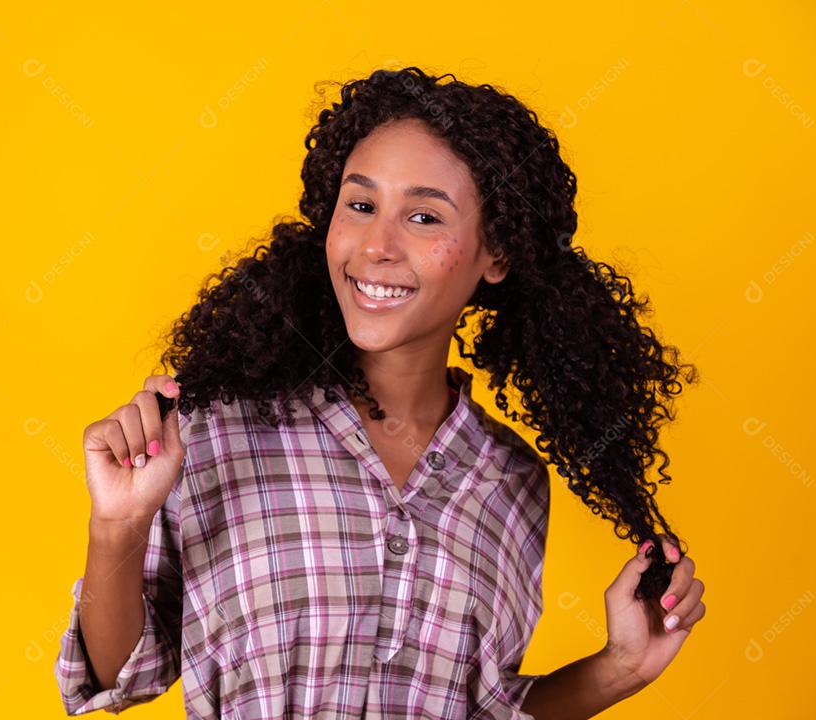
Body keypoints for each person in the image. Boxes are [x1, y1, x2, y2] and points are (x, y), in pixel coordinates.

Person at [54, 66, 706, 719]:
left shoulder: (514, 483)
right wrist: (118, 525)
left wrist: (617, 669)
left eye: (423, 217)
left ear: (497, 254)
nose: (377, 245)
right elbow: (118, 677)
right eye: (360, 205)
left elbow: (479, 709)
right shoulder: (215, 428)